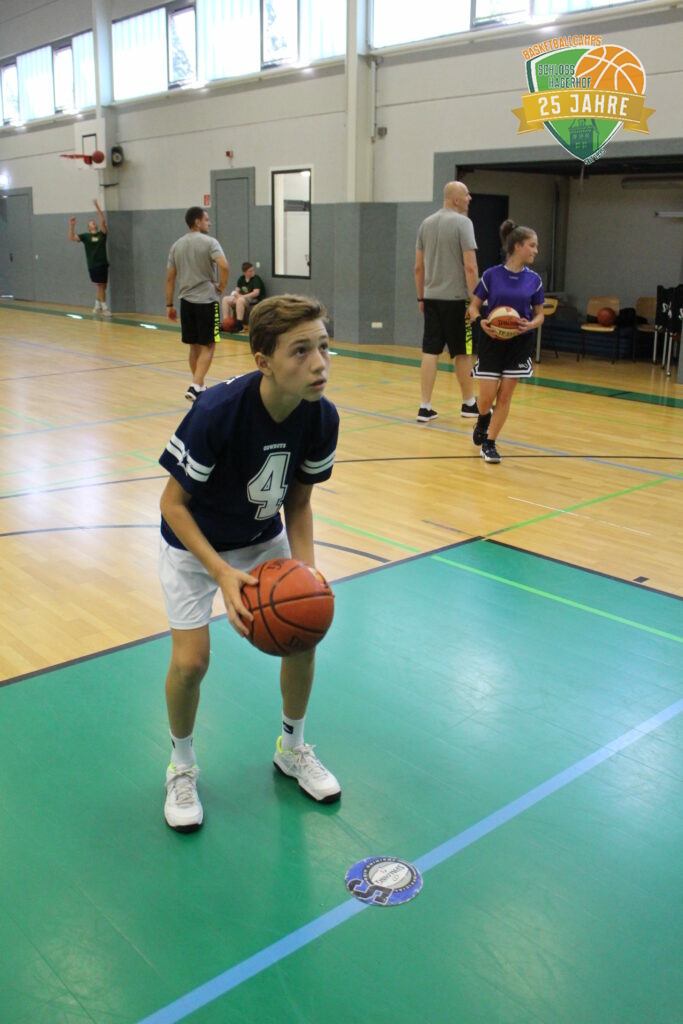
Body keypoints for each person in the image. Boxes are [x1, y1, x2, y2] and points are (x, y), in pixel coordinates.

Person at [157, 294, 341, 832]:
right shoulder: (216, 412)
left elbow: (298, 503)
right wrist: (220, 573)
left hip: (261, 536)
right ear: (264, 362)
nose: (319, 363)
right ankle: (181, 765)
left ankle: (292, 747)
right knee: (191, 663)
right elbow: (172, 505)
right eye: (301, 351)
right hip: (193, 544)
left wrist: (307, 575)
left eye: (323, 347)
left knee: (304, 633)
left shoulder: (321, 416)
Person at [467, 220, 544, 464]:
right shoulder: (492, 275)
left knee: (505, 396)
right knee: (486, 397)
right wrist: (480, 321)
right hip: (492, 340)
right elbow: (473, 306)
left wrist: (531, 324)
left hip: (519, 343)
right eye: (532, 245)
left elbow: (540, 314)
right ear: (518, 246)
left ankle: (490, 443)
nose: (536, 250)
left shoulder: (534, 280)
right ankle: (483, 420)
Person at [414, 181, 480, 422]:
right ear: (455, 199)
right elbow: (470, 266)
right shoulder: (464, 223)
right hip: (458, 300)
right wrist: (475, 300)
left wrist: (421, 297)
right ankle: (469, 403)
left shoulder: (426, 224)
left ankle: (424, 406)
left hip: (431, 298)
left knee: (430, 351)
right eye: (466, 194)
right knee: (463, 352)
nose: (470, 198)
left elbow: (418, 268)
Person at [166, 207, 229, 403]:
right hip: (207, 301)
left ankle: (199, 387)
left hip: (186, 302)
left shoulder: (176, 246)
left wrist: (169, 304)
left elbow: (170, 278)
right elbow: (224, 266)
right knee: (209, 345)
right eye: (206, 219)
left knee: (194, 347)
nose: (209, 223)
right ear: (197, 221)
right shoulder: (210, 242)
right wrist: (222, 286)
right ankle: (195, 385)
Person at [69, 199, 111, 316]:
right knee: (101, 286)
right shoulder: (86, 237)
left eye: (94, 222)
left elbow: (103, 222)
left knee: (103, 286)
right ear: (89, 228)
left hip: (103, 264)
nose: (94, 223)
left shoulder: (102, 234)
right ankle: (104, 308)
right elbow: (71, 237)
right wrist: (72, 225)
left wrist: (97, 207)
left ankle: (96, 307)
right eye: (91, 223)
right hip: (93, 264)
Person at [221, 261, 266, 331]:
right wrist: (235, 295)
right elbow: (236, 290)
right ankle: (226, 322)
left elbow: (256, 293)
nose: (252, 272)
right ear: (245, 273)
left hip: (254, 299)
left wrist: (242, 296)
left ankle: (239, 325)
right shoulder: (241, 279)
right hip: (242, 297)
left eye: (253, 270)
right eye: (250, 271)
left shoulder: (256, 279)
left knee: (240, 300)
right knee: (225, 299)